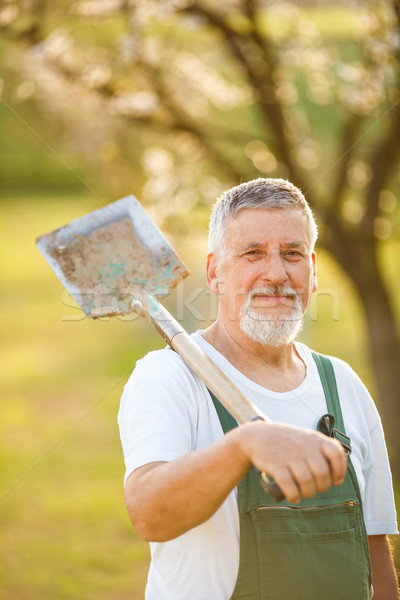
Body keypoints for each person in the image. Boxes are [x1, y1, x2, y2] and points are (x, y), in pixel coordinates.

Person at [118, 178, 398, 600]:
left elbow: (375, 548)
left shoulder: (343, 384)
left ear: (313, 271)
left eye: (292, 254)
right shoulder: (168, 378)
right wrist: (243, 445)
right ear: (216, 273)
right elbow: (149, 515)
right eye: (253, 254)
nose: (276, 273)